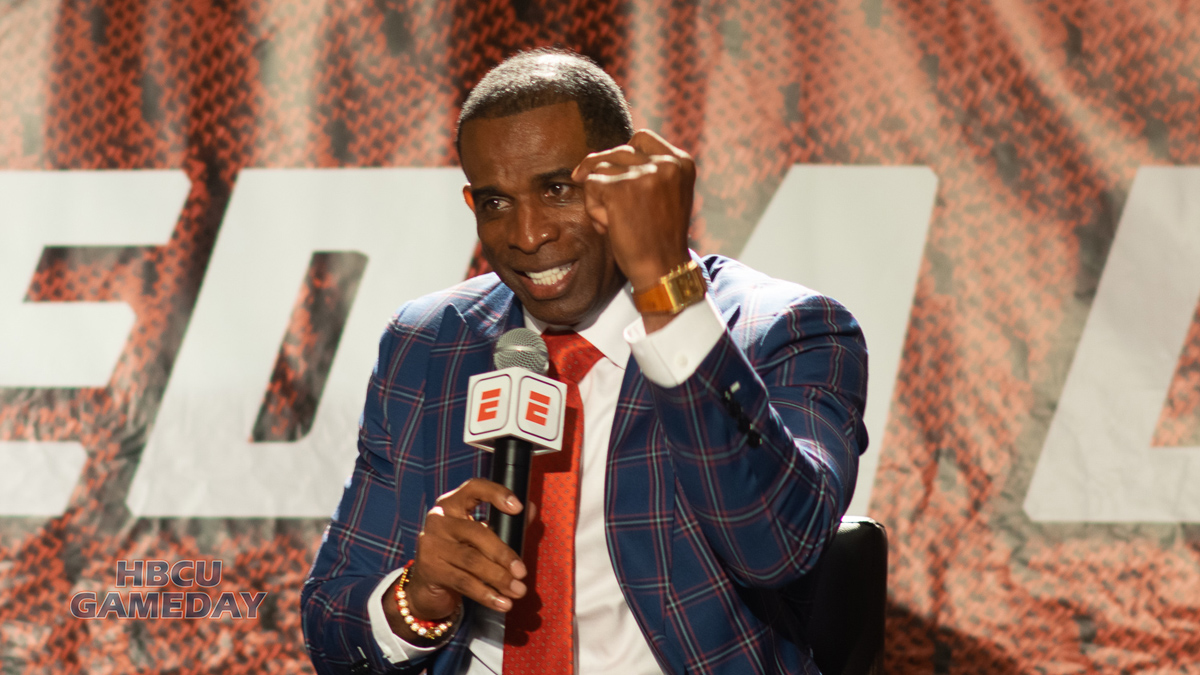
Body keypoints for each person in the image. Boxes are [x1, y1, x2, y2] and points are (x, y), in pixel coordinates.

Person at [301, 49, 868, 675]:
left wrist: (666, 288)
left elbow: (776, 548)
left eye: (556, 189)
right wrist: (418, 597)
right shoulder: (428, 342)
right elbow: (331, 620)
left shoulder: (785, 329)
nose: (527, 233)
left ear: (624, 184)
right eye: (496, 203)